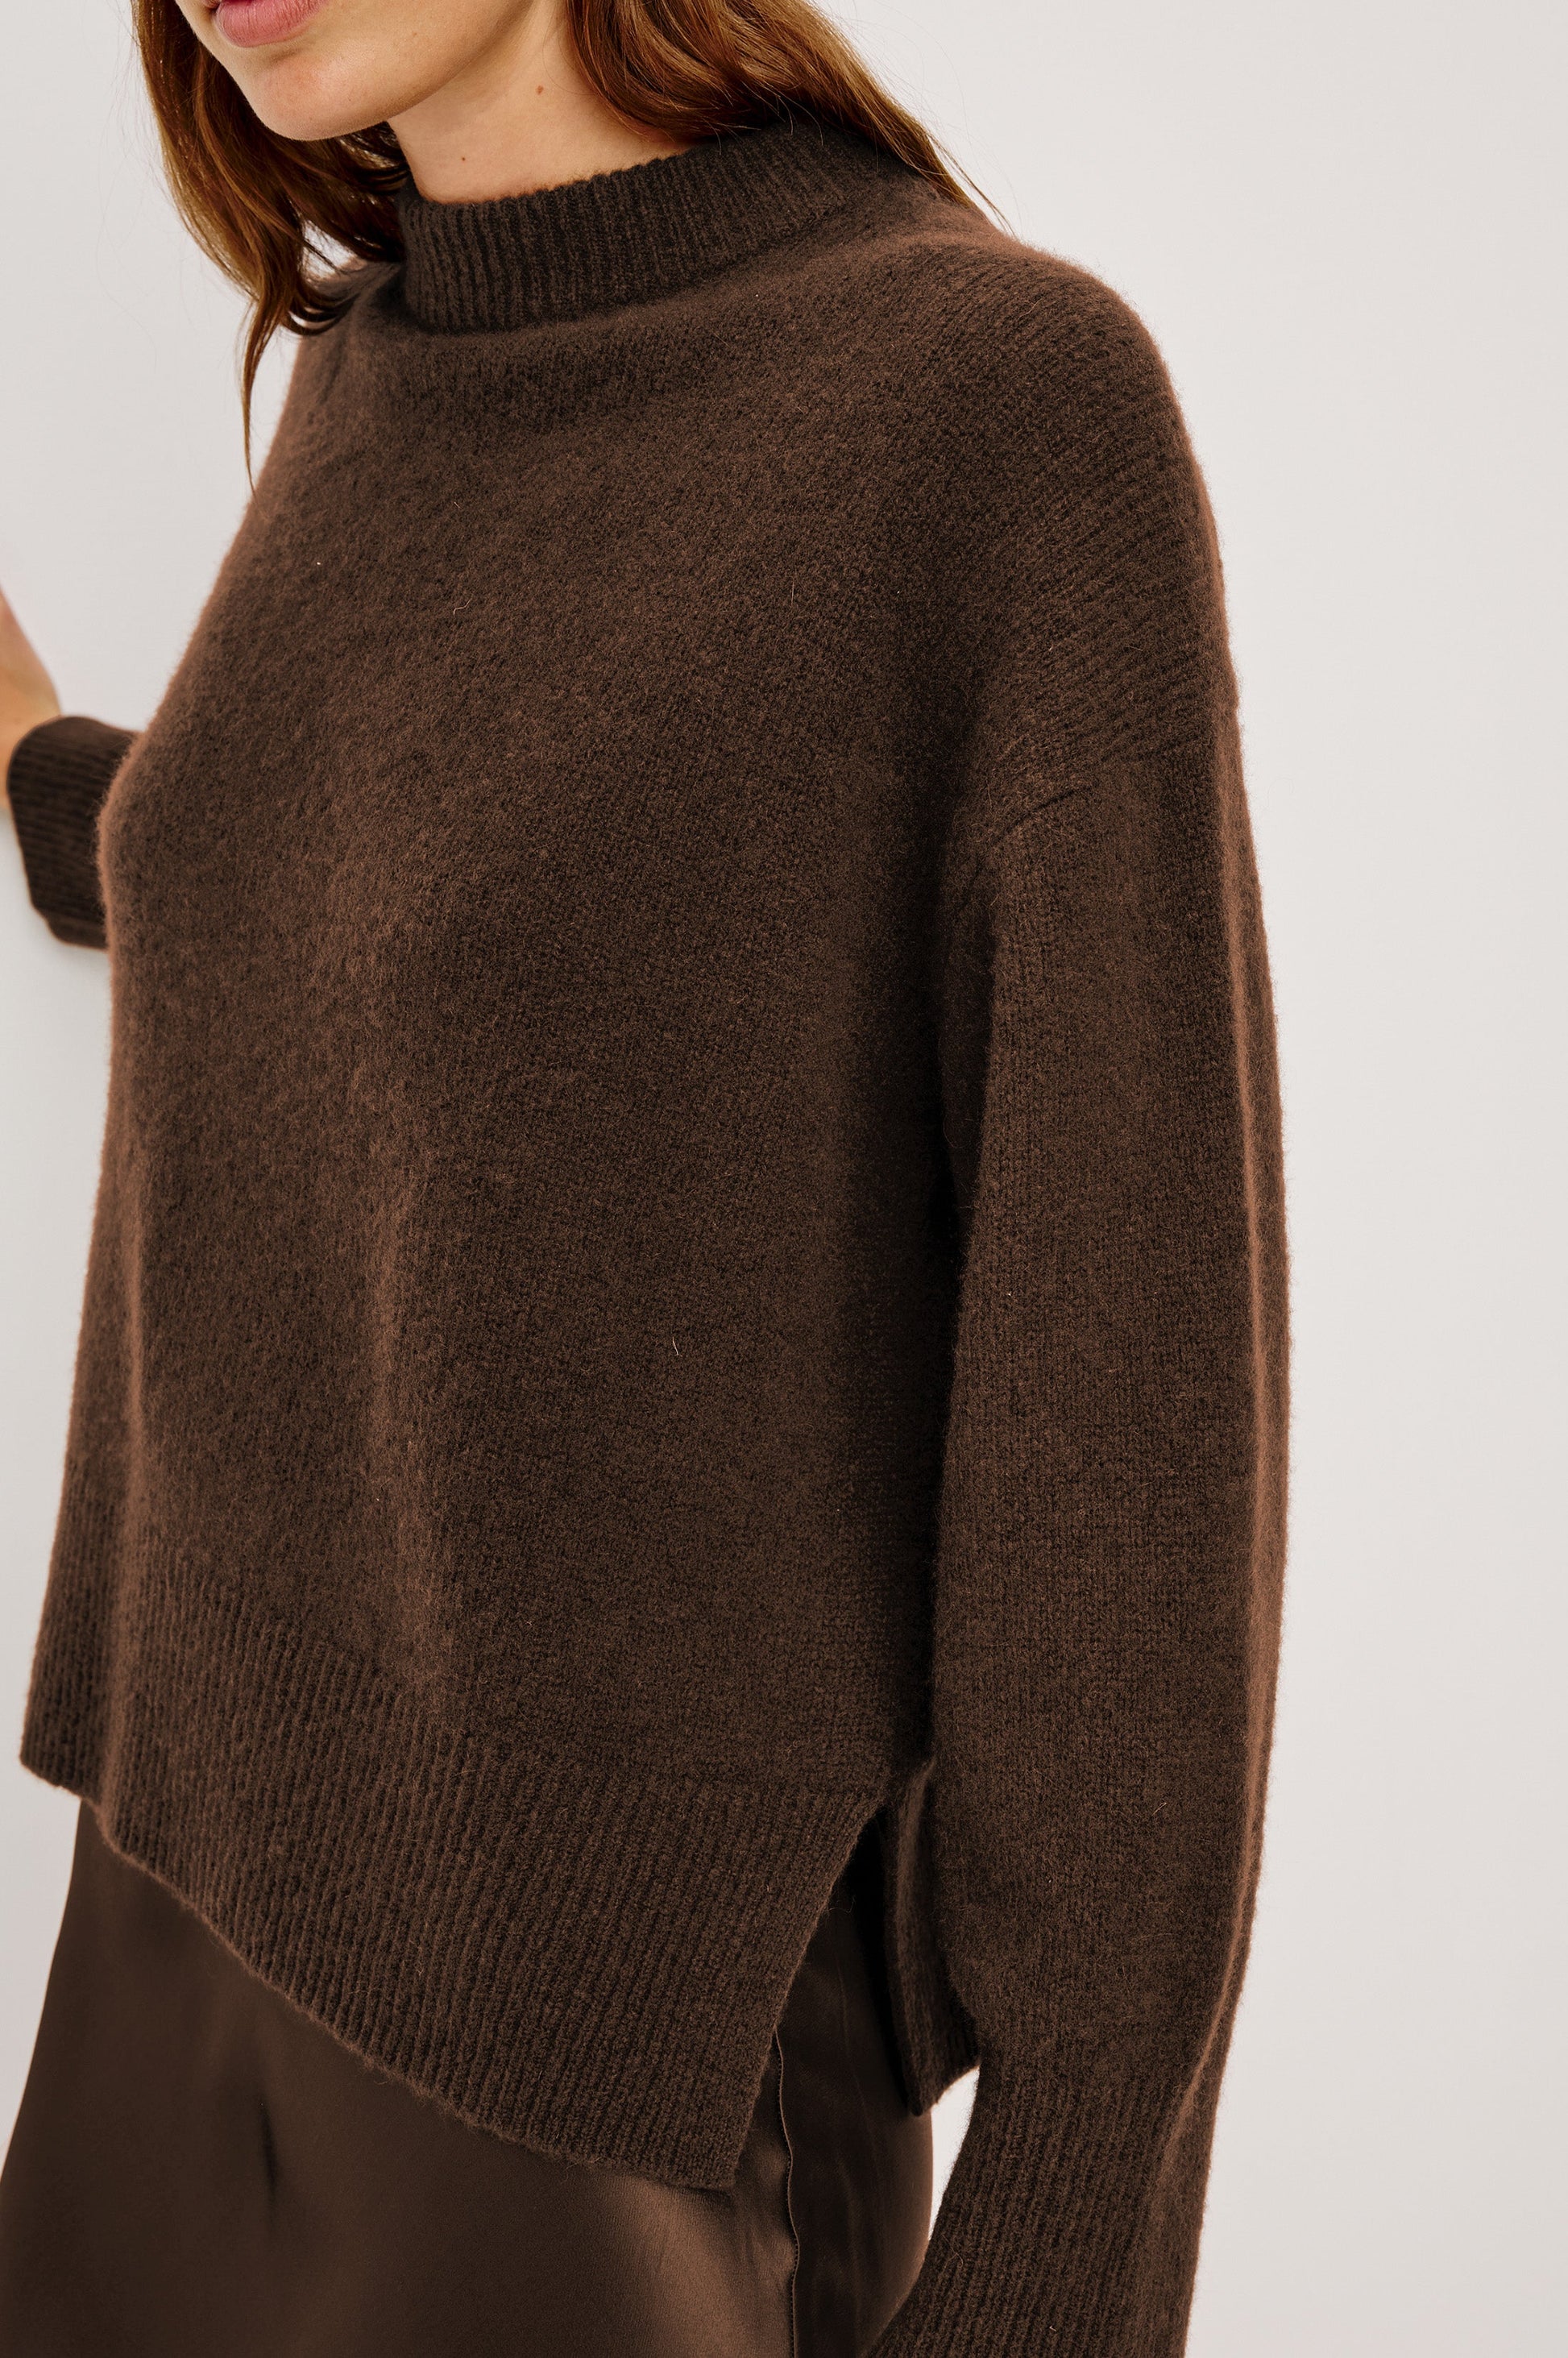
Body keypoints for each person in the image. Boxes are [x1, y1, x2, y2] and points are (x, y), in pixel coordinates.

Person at [0, 0, 1289, 2351]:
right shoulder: (377, 363)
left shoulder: (987, 405)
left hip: (596, 2094)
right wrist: (49, 773)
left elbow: (1127, 1419)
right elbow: (379, 868)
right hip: (157, 1948)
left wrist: (1062, 2266)